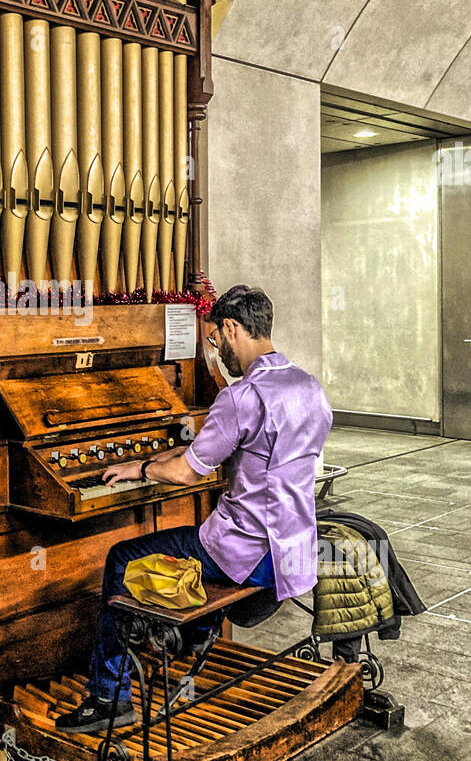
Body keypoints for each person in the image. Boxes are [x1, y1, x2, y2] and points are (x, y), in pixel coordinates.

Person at [56, 283, 333, 734]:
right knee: (188, 537)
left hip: (247, 556)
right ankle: (189, 642)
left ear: (230, 329)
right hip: (294, 551)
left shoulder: (241, 397)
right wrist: (151, 462)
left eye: (214, 340)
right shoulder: (308, 387)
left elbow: (189, 473)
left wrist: (141, 467)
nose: (216, 349)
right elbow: (212, 457)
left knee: (119, 558)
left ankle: (109, 698)